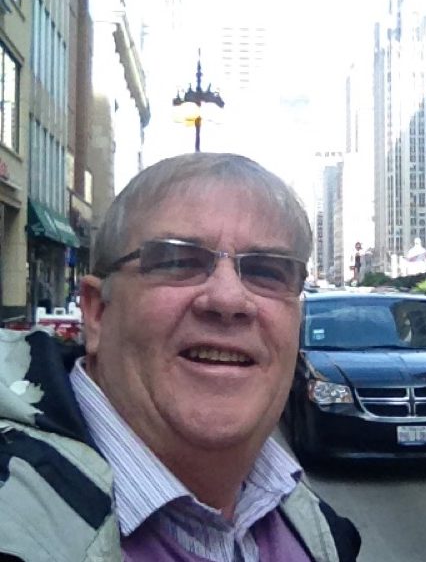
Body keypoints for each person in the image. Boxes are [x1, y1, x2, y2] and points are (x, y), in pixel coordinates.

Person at [0, 153, 361, 562]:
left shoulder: (315, 529)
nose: (228, 299)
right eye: (178, 261)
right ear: (97, 312)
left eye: (266, 271)